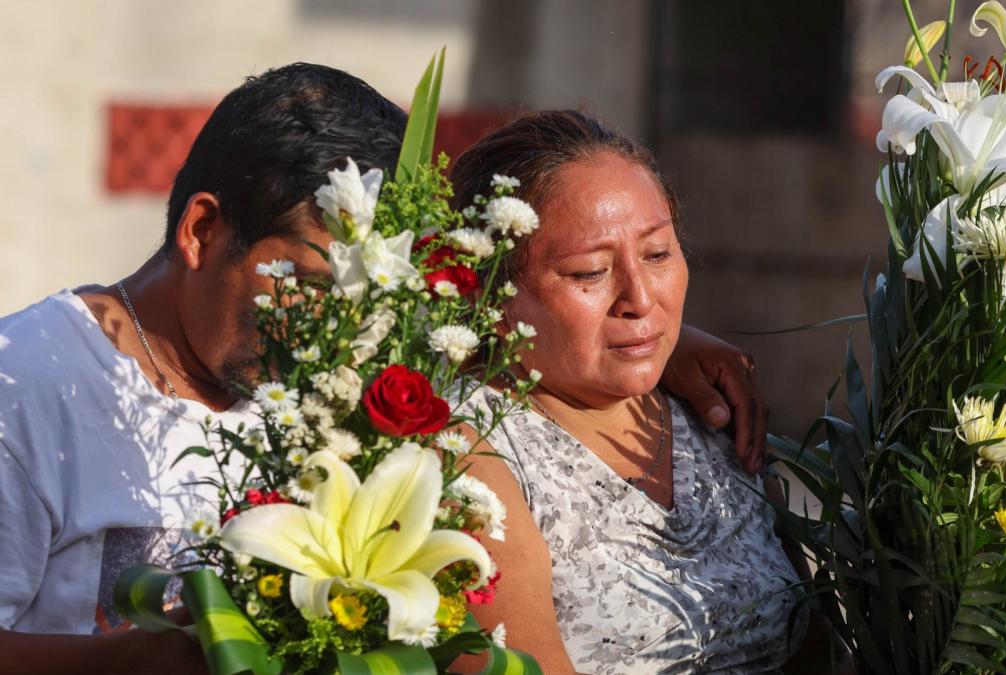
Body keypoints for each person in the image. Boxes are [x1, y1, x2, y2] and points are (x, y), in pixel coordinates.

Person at [0, 65, 771, 674]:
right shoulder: (27, 384)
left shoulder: (335, 350)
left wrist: (673, 347)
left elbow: (516, 323)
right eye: (304, 283)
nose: (337, 327)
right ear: (203, 230)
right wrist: (141, 659)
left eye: (365, 292)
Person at [451, 110, 806, 674]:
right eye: (589, 272)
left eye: (658, 254)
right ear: (490, 295)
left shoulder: (714, 413)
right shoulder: (472, 450)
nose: (639, 298)